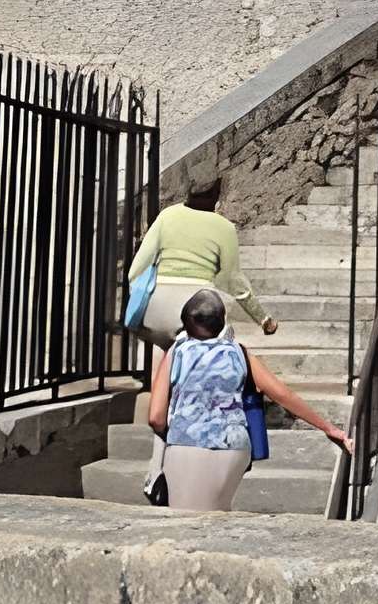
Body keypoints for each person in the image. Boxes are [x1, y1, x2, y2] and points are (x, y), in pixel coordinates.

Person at [147, 288, 348, 512]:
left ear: (185, 322)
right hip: (235, 448)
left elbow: (156, 417)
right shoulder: (239, 352)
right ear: (222, 321)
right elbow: (282, 394)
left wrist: (176, 431)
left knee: (188, 521)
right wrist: (329, 428)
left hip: (187, 446)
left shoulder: (177, 352)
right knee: (218, 512)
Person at [127, 174, 278, 350]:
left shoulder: (166, 216)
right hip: (197, 311)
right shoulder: (224, 227)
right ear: (217, 195)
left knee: (166, 352)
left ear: (188, 193)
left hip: (153, 312)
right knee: (225, 346)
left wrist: (139, 296)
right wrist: (263, 318)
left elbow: (136, 270)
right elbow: (232, 280)